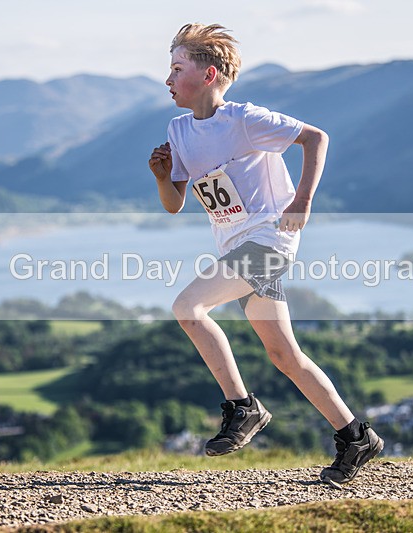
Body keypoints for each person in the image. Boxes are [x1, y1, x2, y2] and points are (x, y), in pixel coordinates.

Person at [147, 23, 383, 487]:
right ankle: (356, 436)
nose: (168, 79)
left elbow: (316, 138)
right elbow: (174, 204)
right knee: (284, 354)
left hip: (270, 240)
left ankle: (242, 407)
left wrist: (302, 201)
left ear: (208, 75)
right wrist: (161, 177)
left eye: (176, 69)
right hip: (237, 247)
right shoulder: (178, 130)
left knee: (188, 307)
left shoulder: (244, 119)